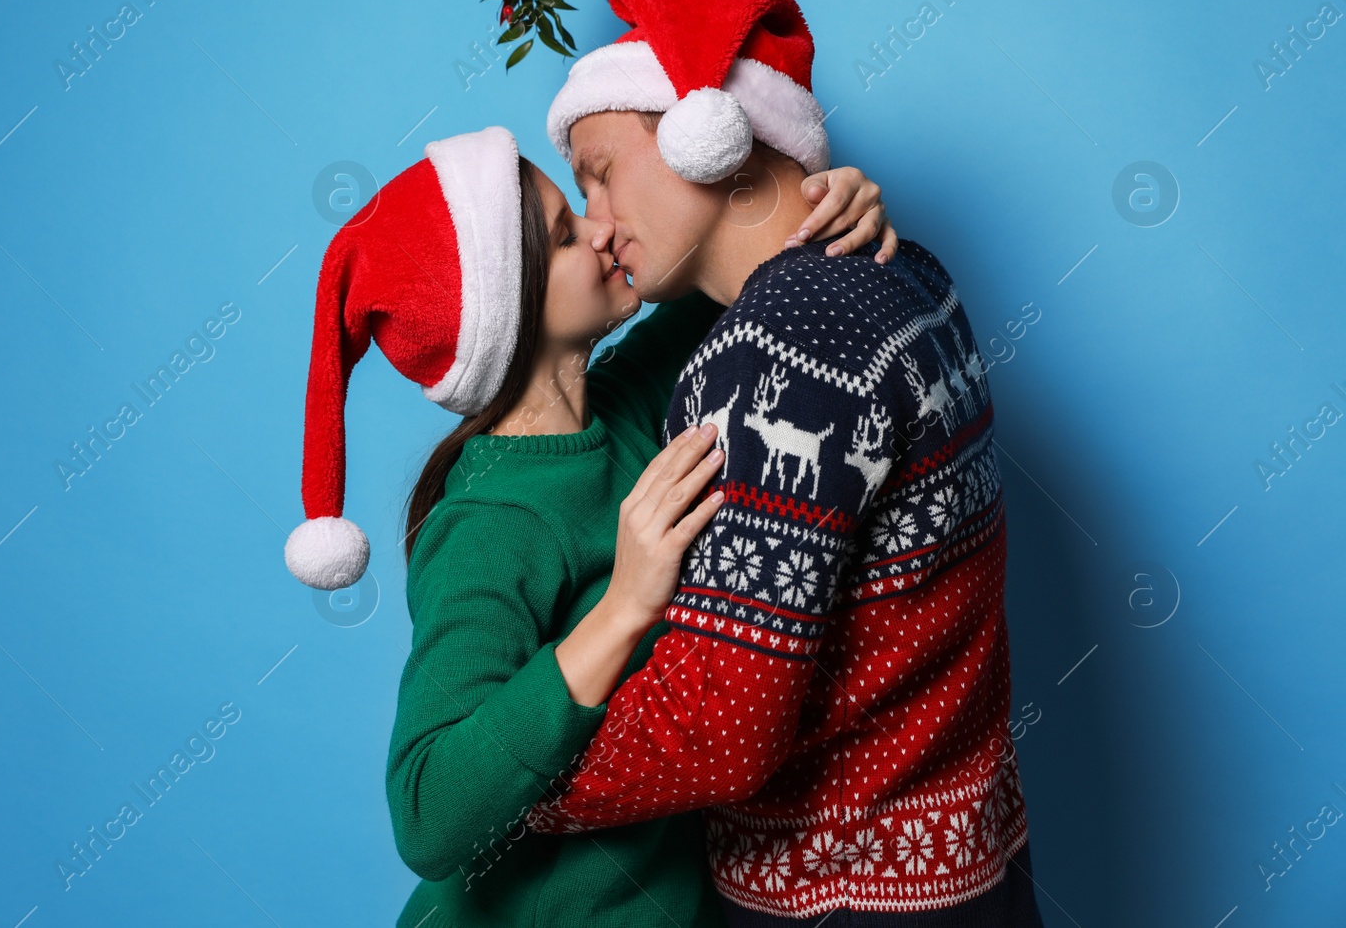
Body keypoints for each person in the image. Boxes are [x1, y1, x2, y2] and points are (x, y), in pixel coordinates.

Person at [518, 0, 1047, 928]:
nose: (597, 221)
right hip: (972, 867)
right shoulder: (907, 272)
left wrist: (503, 792)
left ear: (699, 136)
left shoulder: (778, 345)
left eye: (599, 173)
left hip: (831, 897)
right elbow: (724, 78)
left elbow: (718, 725)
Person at [283, 122, 899, 926]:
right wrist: (623, 609)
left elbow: (759, 259)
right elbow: (427, 812)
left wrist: (830, 204)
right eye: (567, 234)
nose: (603, 227)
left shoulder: (628, 399)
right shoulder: (488, 523)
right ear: (510, 304)